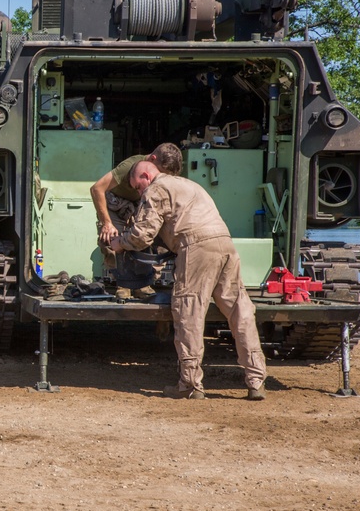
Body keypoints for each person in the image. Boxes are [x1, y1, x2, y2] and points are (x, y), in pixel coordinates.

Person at [110, 161, 267, 401]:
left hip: (196, 248)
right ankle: (256, 381)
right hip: (225, 244)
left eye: (137, 187)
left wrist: (120, 243)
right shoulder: (189, 184)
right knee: (240, 311)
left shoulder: (157, 189)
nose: (139, 192)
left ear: (145, 175)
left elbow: (143, 235)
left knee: (189, 312)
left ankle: (191, 385)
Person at [90, 142, 182, 296]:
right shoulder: (128, 167)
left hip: (140, 203)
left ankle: (143, 284)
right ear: (152, 160)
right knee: (113, 240)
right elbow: (97, 188)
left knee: (146, 240)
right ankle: (123, 284)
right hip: (115, 204)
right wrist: (107, 223)